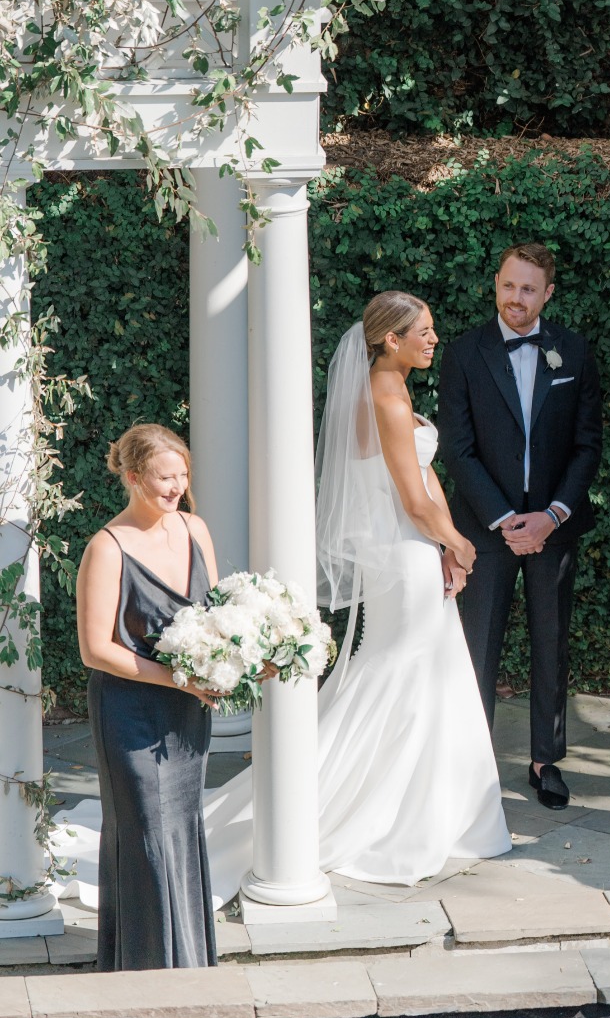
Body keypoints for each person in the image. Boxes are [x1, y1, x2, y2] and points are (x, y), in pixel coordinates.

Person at [201, 291, 511, 892]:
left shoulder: (397, 390)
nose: (433, 338)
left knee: (428, 674)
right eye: (423, 330)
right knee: (403, 676)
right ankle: (383, 814)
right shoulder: (384, 399)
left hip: (417, 550)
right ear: (389, 339)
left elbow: (427, 480)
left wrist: (449, 544)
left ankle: (439, 812)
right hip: (401, 556)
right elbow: (413, 501)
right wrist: (460, 545)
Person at [438, 243, 602, 810]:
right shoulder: (463, 353)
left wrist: (552, 515)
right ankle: (473, 761)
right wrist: (506, 519)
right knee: (477, 645)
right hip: (486, 530)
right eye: (509, 286)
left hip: (553, 527)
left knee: (550, 642)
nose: (516, 298)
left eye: (529, 289)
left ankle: (545, 760)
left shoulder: (574, 352)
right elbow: (456, 449)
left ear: (547, 294)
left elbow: (587, 446)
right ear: (496, 284)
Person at [75, 424, 220, 971]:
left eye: (183, 475)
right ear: (133, 478)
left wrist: (246, 659)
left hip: (188, 709)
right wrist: (177, 679)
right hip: (130, 711)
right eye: (165, 477)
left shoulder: (195, 529)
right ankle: (146, 964)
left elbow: (221, 616)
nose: (177, 486)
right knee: (145, 831)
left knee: (181, 823)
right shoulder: (107, 547)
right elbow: (95, 649)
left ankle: (187, 958)